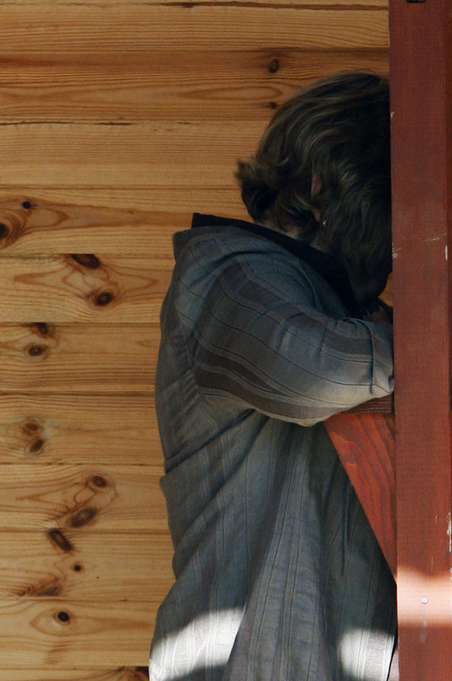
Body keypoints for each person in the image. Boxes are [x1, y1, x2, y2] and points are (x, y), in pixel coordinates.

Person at [149, 72, 397, 681]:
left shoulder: (333, 297)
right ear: (322, 188)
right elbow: (319, 369)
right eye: (399, 205)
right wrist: (430, 337)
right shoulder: (227, 272)